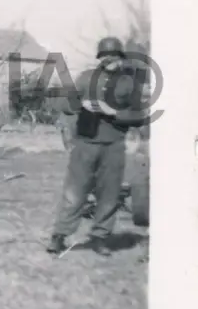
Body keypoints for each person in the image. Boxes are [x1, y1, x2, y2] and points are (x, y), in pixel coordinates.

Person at [46, 36, 148, 257]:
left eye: (113, 55)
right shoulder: (86, 78)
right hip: (85, 143)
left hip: (114, 145)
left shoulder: (130, 83)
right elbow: (64, 103)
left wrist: (113, 113)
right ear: (99, 58)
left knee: (109, 194)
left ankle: (100, 237)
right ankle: (59, 236)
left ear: (121, 58)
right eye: (104, 56)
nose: (108, 59)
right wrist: (79, 103)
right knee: (74, 191)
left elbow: (140, 116)